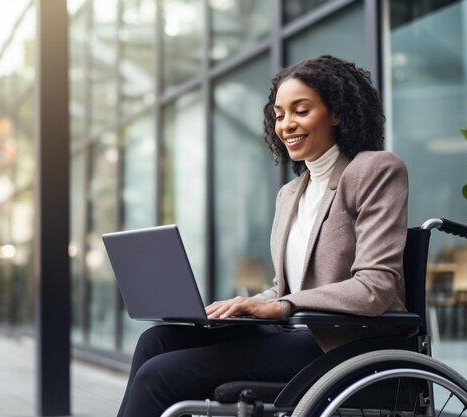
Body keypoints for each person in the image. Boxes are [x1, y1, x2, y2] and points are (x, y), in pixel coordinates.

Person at [116, 55, 409, 417]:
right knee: (155, 341)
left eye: (301, 110)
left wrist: (280, 305)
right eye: (279, 114)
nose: (287, 124)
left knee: (159, 376)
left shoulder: (374, 169)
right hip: (295, 332)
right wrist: (245, 304)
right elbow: (285, 287)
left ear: (336, 113)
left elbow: (375, 287)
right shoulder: (290, 194)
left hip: (341, 346)